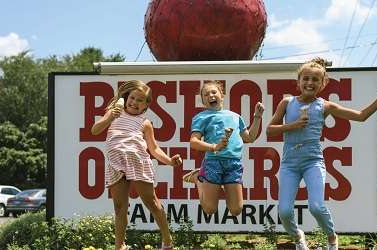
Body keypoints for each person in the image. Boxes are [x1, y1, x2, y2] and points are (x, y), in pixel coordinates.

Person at [266, 58, 377, 250]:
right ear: (298, 82)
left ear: (323, 84)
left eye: (315, 79)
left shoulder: (325, 106)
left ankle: (331, 237)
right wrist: (293, 126)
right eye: (306, 78)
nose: (310, 83)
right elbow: (269, 130)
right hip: (290, 164)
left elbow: (361, 116)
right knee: (285, 212)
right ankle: (298, 236)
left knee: (316, 206)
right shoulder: (287, 103)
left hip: (313, 162)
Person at [91, 80, 182, 250]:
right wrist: (111, 116)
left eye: (140, 100)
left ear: (146, 105)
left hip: (137, 162)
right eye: (132, 98)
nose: (134, 102)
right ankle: (120, 246)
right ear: (126, 98)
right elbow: (95, 130)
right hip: (115, 163)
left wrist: (170, 161)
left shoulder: (145, 123)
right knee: (119, 207)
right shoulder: (114, 113)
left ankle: (167, 241)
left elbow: (154, 148)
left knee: (152, 202)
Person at [182, 80, 264, 216]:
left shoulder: (235, 116)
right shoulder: (201, 117)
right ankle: (198, 178)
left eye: (214, 92)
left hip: (234, 163)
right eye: (206, 95)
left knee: (236, 210)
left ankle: (200, 177)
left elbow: (249, 138)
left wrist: (257, 117)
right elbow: (194, 142)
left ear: (222, 95)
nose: (210, 96)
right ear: (203, 101)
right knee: (210, 209)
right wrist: (214, 146)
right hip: (213, 162)